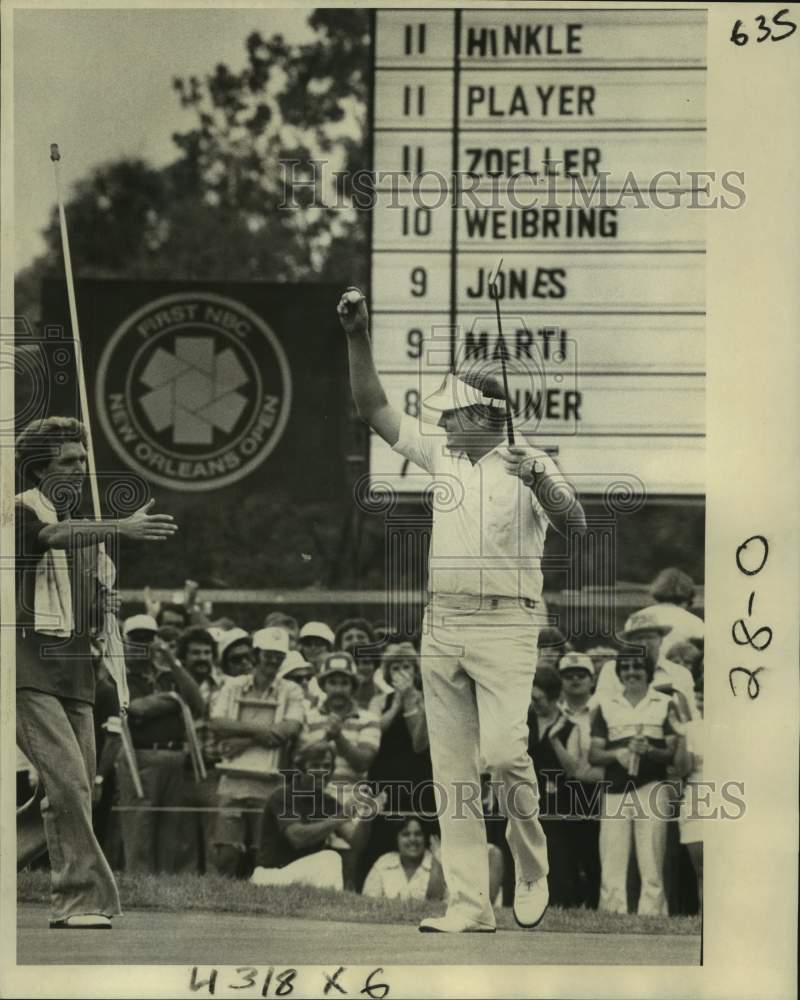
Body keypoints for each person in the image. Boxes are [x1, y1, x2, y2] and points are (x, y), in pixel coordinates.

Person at [337, 288, 587, 933]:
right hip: (442, 623)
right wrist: (357, 333)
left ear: (483, 415)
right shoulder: (440, 453)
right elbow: (372, 407)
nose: (442, 422)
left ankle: (532, 867)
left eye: (453, 414)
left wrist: (539, 481)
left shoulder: (533, 460)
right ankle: (470, 907)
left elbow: (578, 523)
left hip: (507, 622)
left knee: (505, 755)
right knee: (451, 773)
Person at [14, 416, 178, 927]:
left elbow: (94, 598)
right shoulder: (17, 510)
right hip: (26, 666)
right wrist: (120, 528)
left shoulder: (86, 528)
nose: (81, 468)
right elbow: (52, 536)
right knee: (69, 785)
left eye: (84, 459)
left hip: (76, 673)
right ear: (40, 469)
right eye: (69, 461)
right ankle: (78, 900)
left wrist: (105, 596)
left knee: (76, 785)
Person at [107, 619, 205, 874]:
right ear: (125, 640)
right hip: (138, 756)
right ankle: (139, 883)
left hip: (174, 755)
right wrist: (173, 700)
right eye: (136, 637)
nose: (142, 643)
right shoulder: (117, 674)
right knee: (139, 827)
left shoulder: (168, 674)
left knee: (171, 828)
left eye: (148, 637)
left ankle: (164, 889)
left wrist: (172, 661)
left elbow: (196, 704)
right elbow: (132, 709)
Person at [209, 627, 304, 878]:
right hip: (232, 780)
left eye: (279, 656)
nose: (273, 660)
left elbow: (290, 728)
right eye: (268, 654)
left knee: (261, 853)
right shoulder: (233, 685)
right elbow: (217, 723)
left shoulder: (291, 690)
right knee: (226, 852)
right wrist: (260, 734)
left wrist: (242, 741)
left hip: (269, 783)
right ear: (256, 653)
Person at [589, 648, 678, 916]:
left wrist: (649, 750)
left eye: (637, 667)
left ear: (649, 672)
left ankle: (652, 913)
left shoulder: (665, 703)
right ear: (619, 674)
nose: (631, 672)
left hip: (652, 787)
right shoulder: (605, 706)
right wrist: (618, 754)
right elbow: (594, 754)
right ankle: (611, 912)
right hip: (615, 790)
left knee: (652, 855)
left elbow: (672, 752)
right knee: (612, 855)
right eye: (625, 667)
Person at [296, 651, 382, 889]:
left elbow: (363, 761)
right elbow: (299, 758)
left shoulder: (368, 718)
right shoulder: (308, 716)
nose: (338, 688)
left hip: (351, 795)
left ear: (353, 685)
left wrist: (338, 737)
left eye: (344, 682)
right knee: (311, 860)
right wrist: (325, 738)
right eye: (332, 682)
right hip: (313, 795)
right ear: (323, 684)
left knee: (348, 862)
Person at [250, 742, 383, 891]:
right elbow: (297, 838)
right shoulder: (282, 796)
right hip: (271, 875)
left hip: (304, 875)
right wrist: (342, 816)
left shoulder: (328, 802)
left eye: (327, 767)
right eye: (315, 766)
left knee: (329, 860)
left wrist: (368, 815)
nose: (322, 772)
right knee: (330, 858)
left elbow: (356, 842)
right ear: (299, 769)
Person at [595, 608, 696, 720]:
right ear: (629, 643)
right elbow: (601, 707)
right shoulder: (611, 669)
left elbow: (691, 716)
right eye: (638, 638)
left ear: (661, 640)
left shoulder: (680, 673)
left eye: (650, 637)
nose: (644, 643)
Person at [672, 672, 705, 912]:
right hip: (695, 798)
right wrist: (683, 734)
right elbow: (682, 768)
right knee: (702, 869)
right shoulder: (692, 728)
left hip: (732, 799)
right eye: (701, 696)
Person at [362, 817, 446, 901]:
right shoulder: (384, 863)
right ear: (396, 839)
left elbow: (436, 901)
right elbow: (368, 902)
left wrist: (437, 862)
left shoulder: (437, 862)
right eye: (406, 834)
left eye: (418, 834)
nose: (412, 839)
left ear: (425, 838)